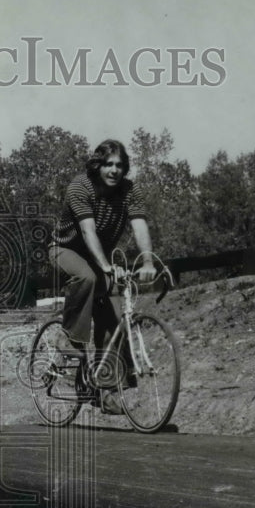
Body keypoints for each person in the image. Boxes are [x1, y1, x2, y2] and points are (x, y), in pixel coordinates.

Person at [49, 139, 156, 414]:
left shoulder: (129, 191)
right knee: (88, 278)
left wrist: (147, 260)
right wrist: (106, 267)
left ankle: (102, 391)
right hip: (65, 250)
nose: (114, 170)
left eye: (120, 165)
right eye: (108, 164)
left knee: (113, 321)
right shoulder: (80, 187)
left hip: (99, 258)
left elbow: (140, 225)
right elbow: (88, 232)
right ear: (98, 165)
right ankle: (67, 337)